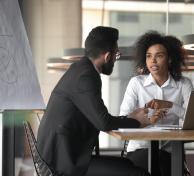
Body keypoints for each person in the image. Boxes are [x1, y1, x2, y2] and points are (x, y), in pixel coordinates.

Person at [37, 26, 153, 176]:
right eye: (116, 55)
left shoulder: (80, 69)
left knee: (127, 164)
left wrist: (130, 117)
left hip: (61, 156)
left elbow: (98, 116)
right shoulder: (86, 77)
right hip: (62, 164)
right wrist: (136, 121)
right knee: (139, 174)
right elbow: (103, 122)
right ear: (107, 56)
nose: (115, 60)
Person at [119, 31, 194, 176]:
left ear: (170, 59)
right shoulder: (136, 83)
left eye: (159, 56)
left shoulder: (184, 84)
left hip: (170, 151)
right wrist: (146, 120)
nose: (153, 61)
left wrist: (170, 105)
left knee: (166, 162)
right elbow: (123, 118)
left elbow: (192, 119)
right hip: (140, 149)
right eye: (149, 56)